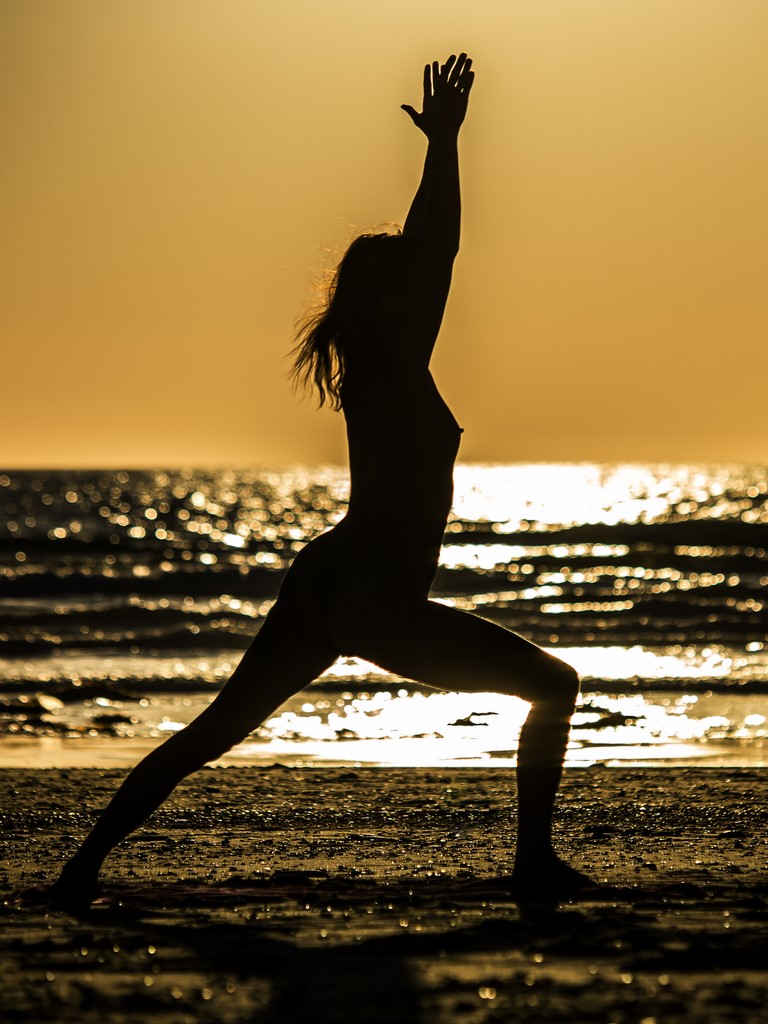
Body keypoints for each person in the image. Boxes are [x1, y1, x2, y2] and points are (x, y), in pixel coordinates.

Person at [51, 54, 591, 906]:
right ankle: (532, 864)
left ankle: (81, 869)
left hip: (330, 576)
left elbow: (425, 255)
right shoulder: (395, 363)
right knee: (554, 686)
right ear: (390, 300)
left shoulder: (372, 368)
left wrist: (440, 154)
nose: (424, 287)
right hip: (375, 592)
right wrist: (445, 144)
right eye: (406, 283)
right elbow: (438, 247)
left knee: (217, 729)